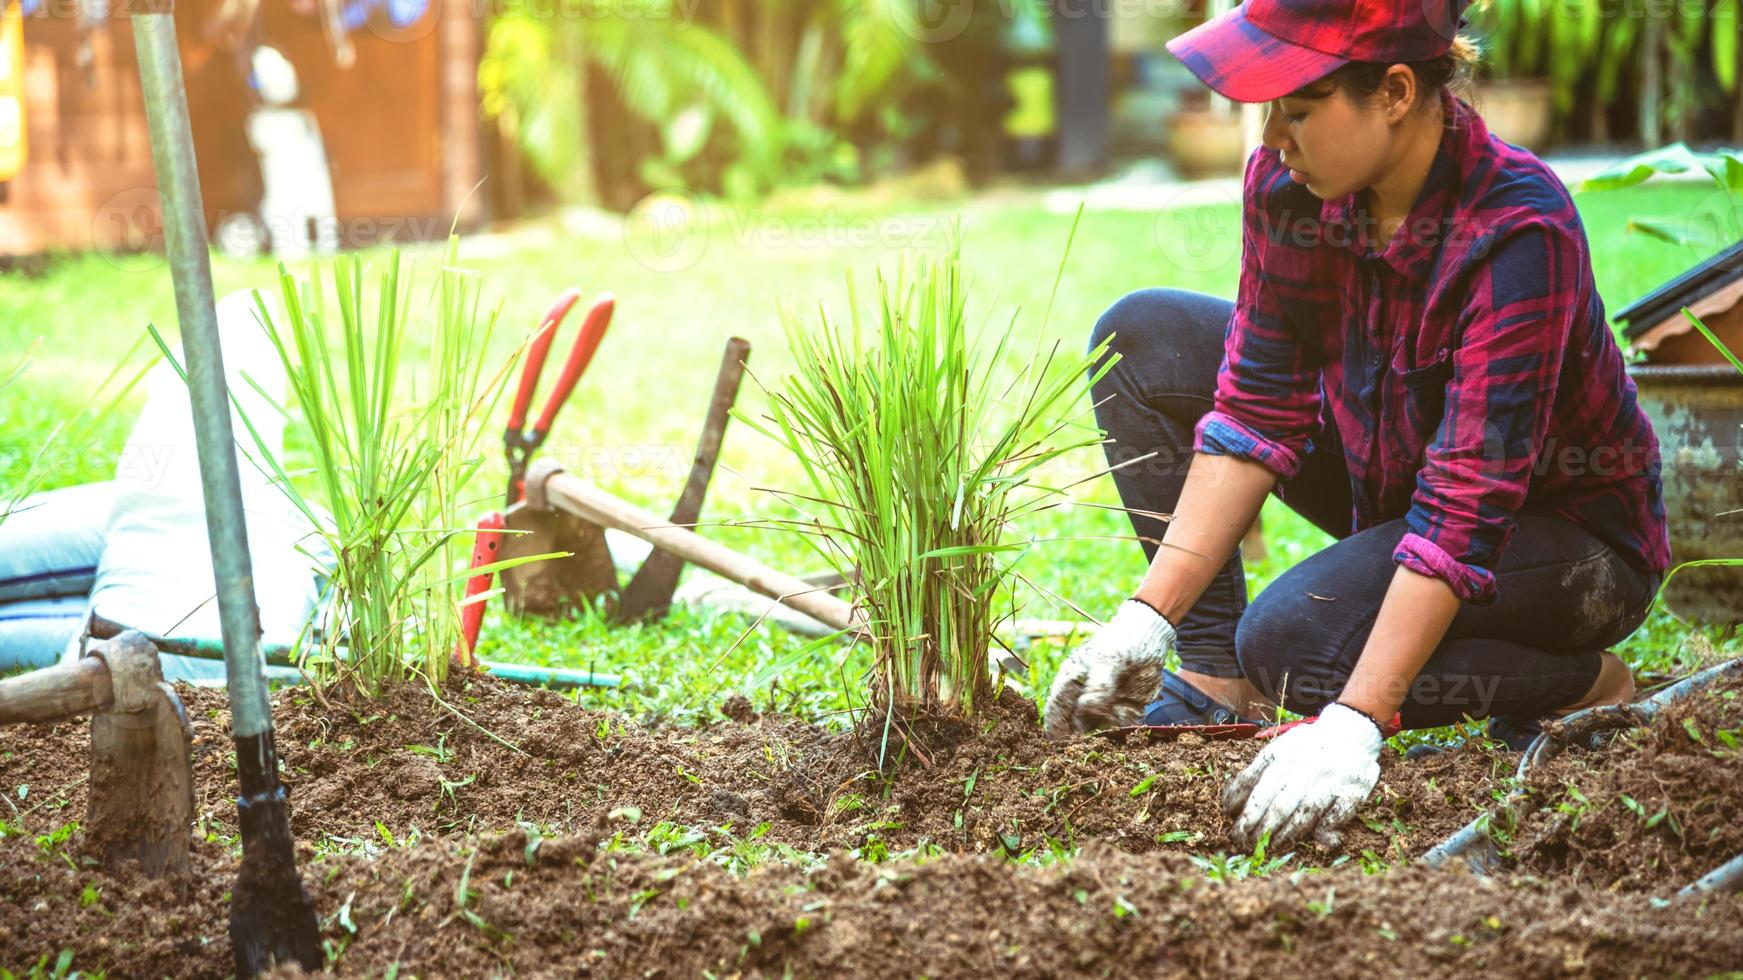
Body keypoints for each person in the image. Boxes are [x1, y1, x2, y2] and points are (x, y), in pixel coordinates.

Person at [1043, 0, 1669, 851]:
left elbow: (1467, 501)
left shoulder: (1519, 229)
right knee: (1144, 338)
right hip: (1399, 486)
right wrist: (1147, 614)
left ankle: (1579, 682)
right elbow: (1257, 406)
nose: (1271, 140)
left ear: (1396, 92)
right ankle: (1213, 676)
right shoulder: (1290, 188)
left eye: (1296, 111)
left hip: (1566, 542)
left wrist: (1355, 722)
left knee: (1295, 646)